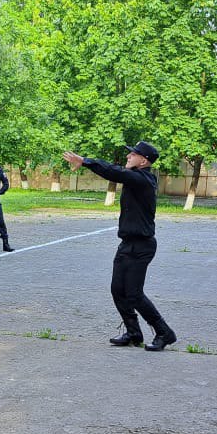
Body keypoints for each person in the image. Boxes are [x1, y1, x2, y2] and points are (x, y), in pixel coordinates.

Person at [63, 141, 177, 351]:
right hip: (127, 244)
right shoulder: (135, 179)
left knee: (134, 294)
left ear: (143, 161)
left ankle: (164, 332)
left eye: (132, 155)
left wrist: (86, 161)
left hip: (142, 246)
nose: (128, 157)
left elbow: (114, 172)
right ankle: (134, 333)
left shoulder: (143, 179)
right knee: (118, 290)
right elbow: (119, 173)